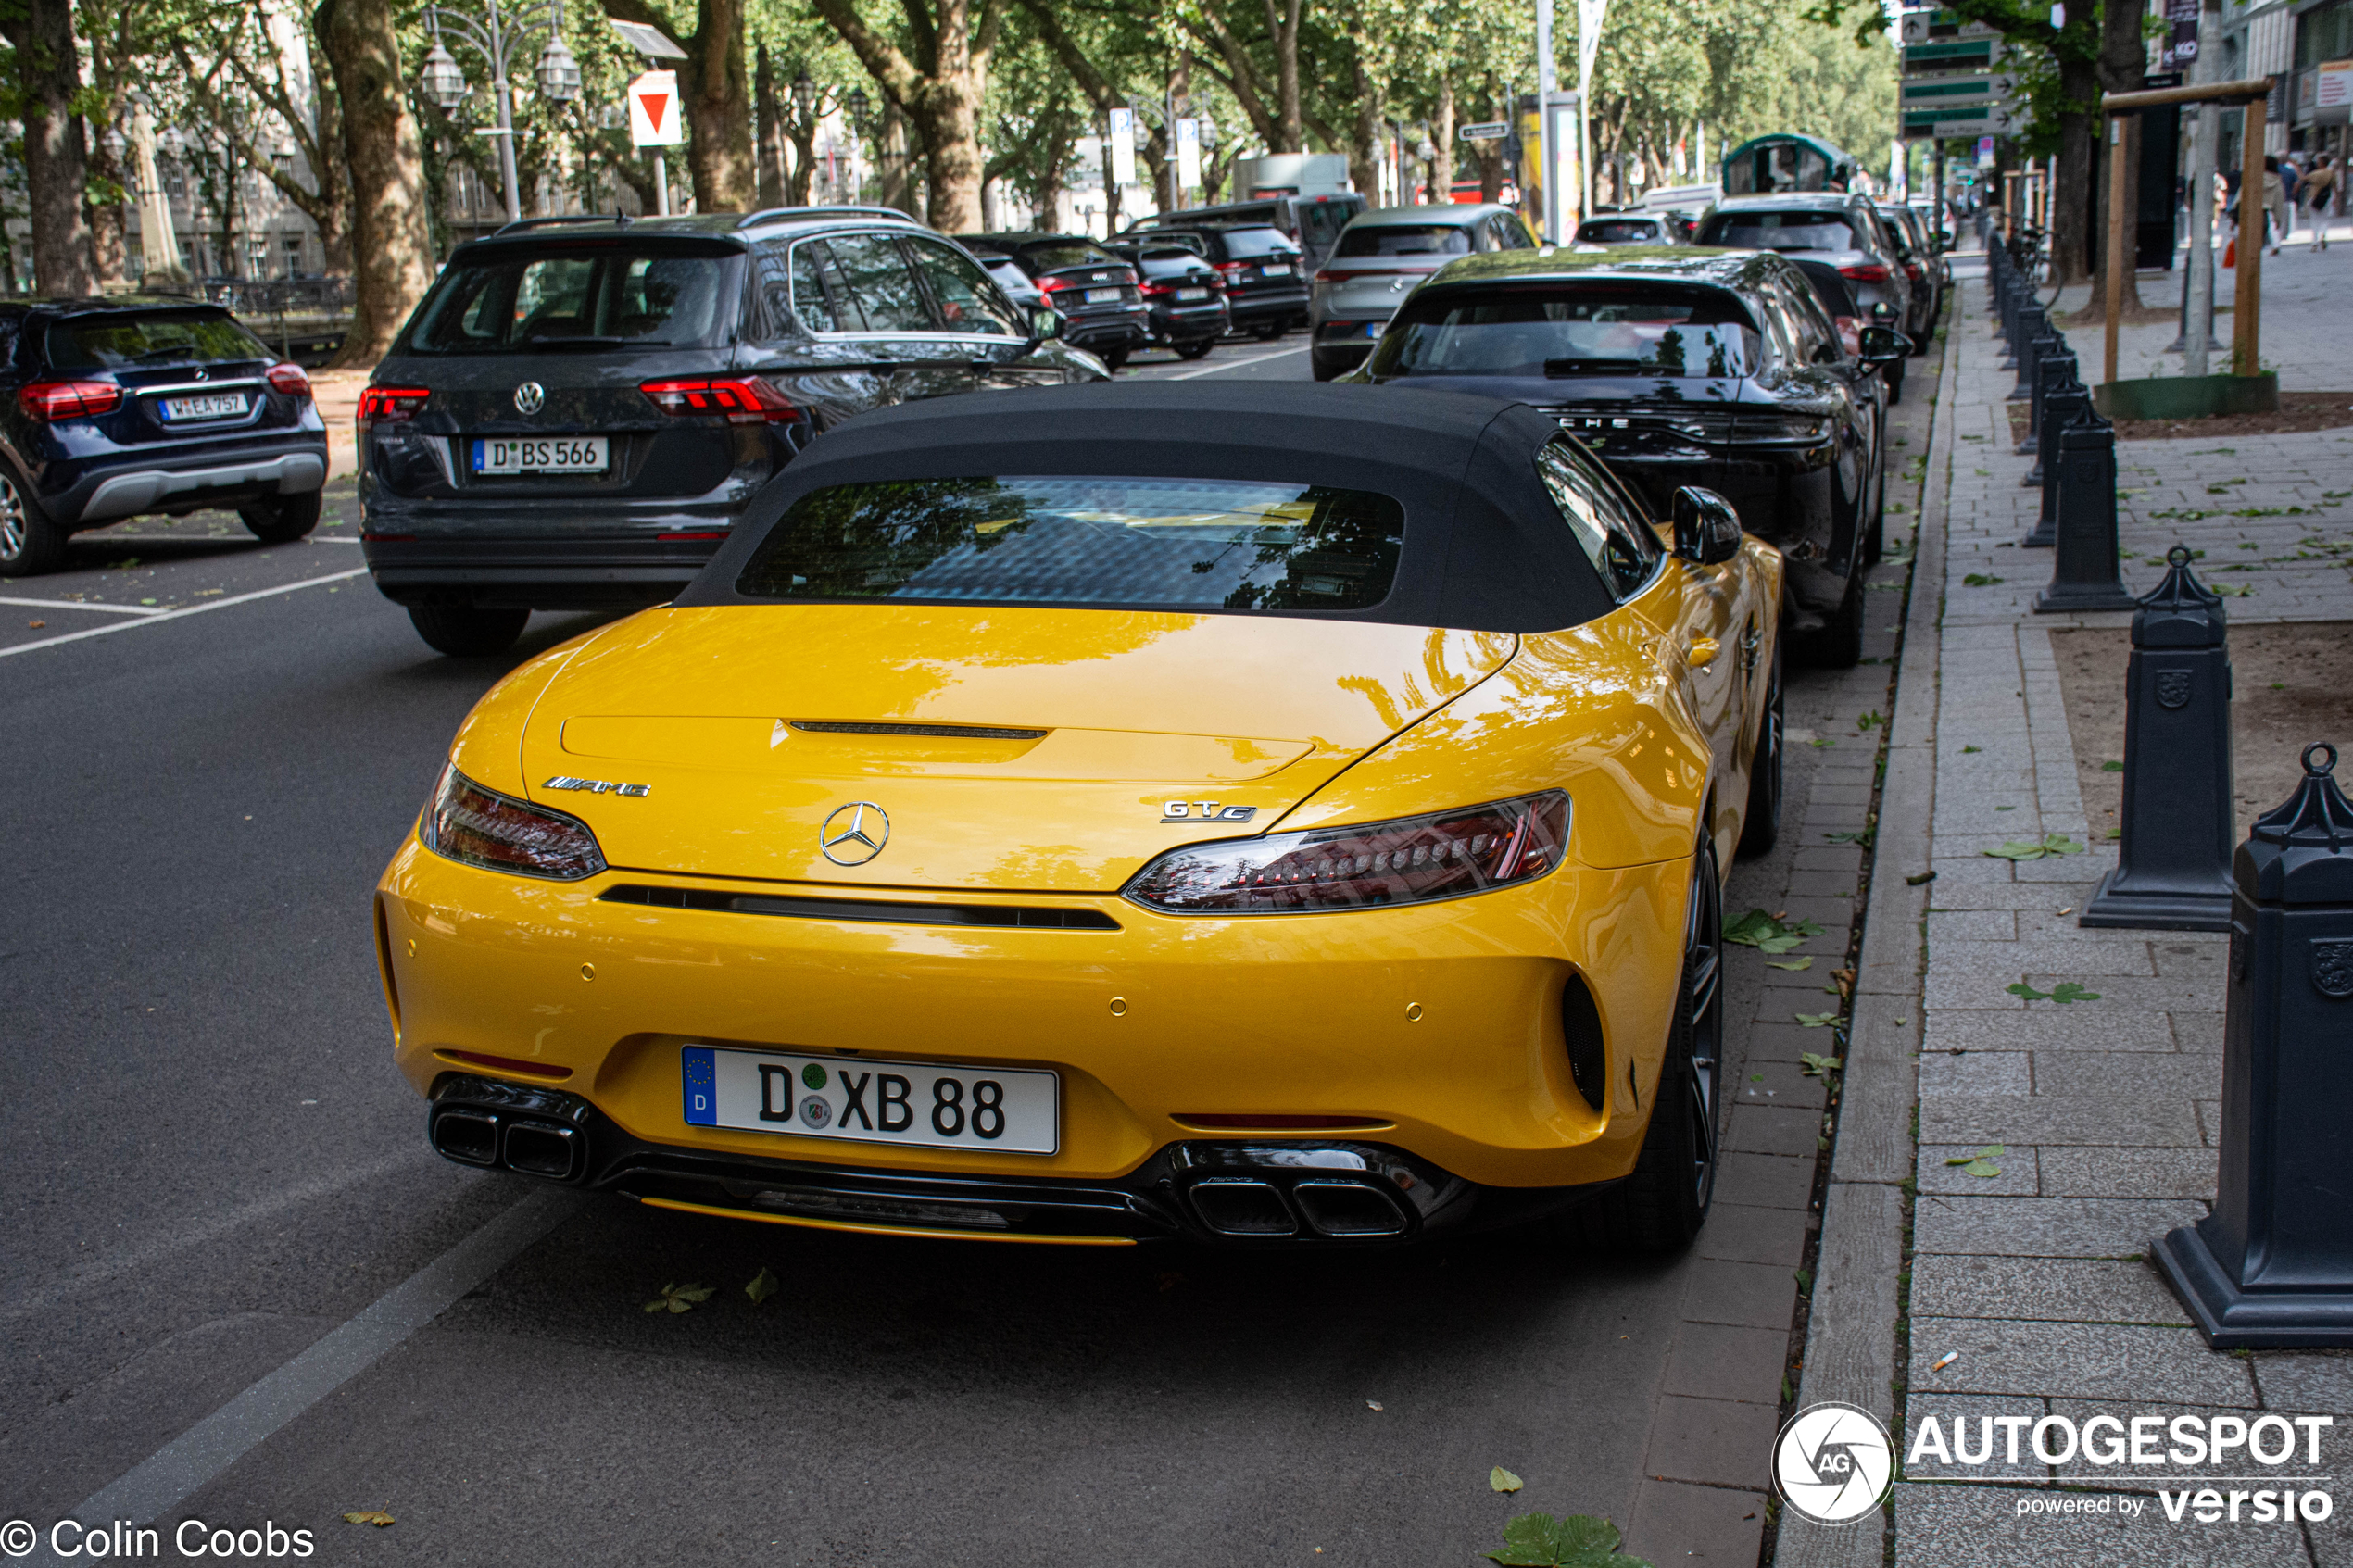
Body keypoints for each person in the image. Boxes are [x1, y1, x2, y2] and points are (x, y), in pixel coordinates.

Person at [2307, 155, 2340, 251]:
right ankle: (2323, 235)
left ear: (2321, 163)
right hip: (2327, 197)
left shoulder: (2316, 173)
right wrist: (2336, 198)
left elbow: (2304, 179)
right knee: (2324, 219)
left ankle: (2314, 242)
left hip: (2314, 196)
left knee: (2314, 220)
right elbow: (2334, 186)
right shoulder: (2331, 173)